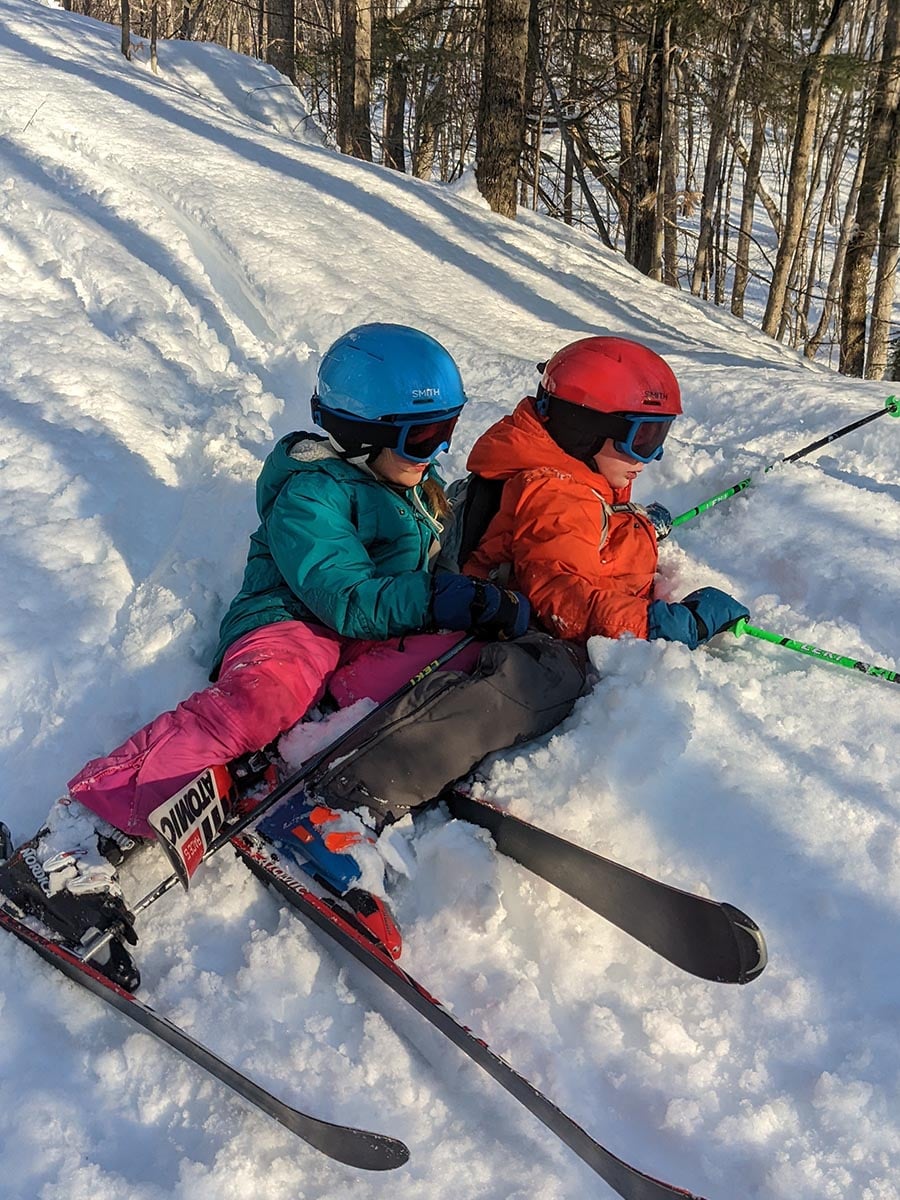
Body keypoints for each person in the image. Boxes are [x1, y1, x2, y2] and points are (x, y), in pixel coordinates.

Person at [1, 325, 592, 987]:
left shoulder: (413, 485)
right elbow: (347, 599)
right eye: (425, 436)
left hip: (360, 643)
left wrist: (488, 594)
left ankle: (311, 772)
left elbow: (430, 579)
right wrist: (444, 596)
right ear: (363, 435)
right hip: (293, 628)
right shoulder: (312, 495)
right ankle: (72, 839)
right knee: (264, 701)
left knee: (459, 661)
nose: (442, 449)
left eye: (448, 428)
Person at [462, 334, 749, 648]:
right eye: (642, 439)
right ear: (585, 430)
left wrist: (634, 526)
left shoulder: (574, 477)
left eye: (658, 436)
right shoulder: (555, 496)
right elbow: (564, 601)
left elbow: (583, 535)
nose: (652, 456)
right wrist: (668, 625)